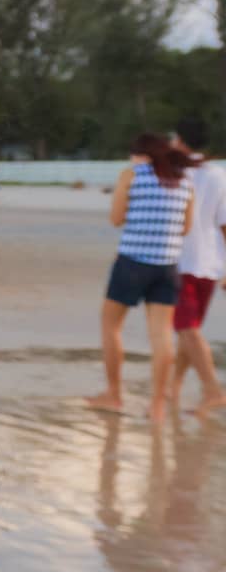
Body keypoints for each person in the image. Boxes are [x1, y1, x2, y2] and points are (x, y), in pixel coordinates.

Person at [88, 133, 195, 421]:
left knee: (111, 326)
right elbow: (185, 227)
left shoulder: (132, 175)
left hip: (132, 263)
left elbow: (116, 218)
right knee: (162, 336)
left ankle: (114, 395)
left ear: (141, 154)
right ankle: (158, 406)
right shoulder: (184, 181)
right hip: (168, 266)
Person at [168, 119, 226, 417]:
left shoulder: (174, 174)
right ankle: (174, 388)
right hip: (211, 263)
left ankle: (214, 391)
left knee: (187, 329)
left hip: (181, 262)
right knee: (189, 330)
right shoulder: (219, 175)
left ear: (180, 141)